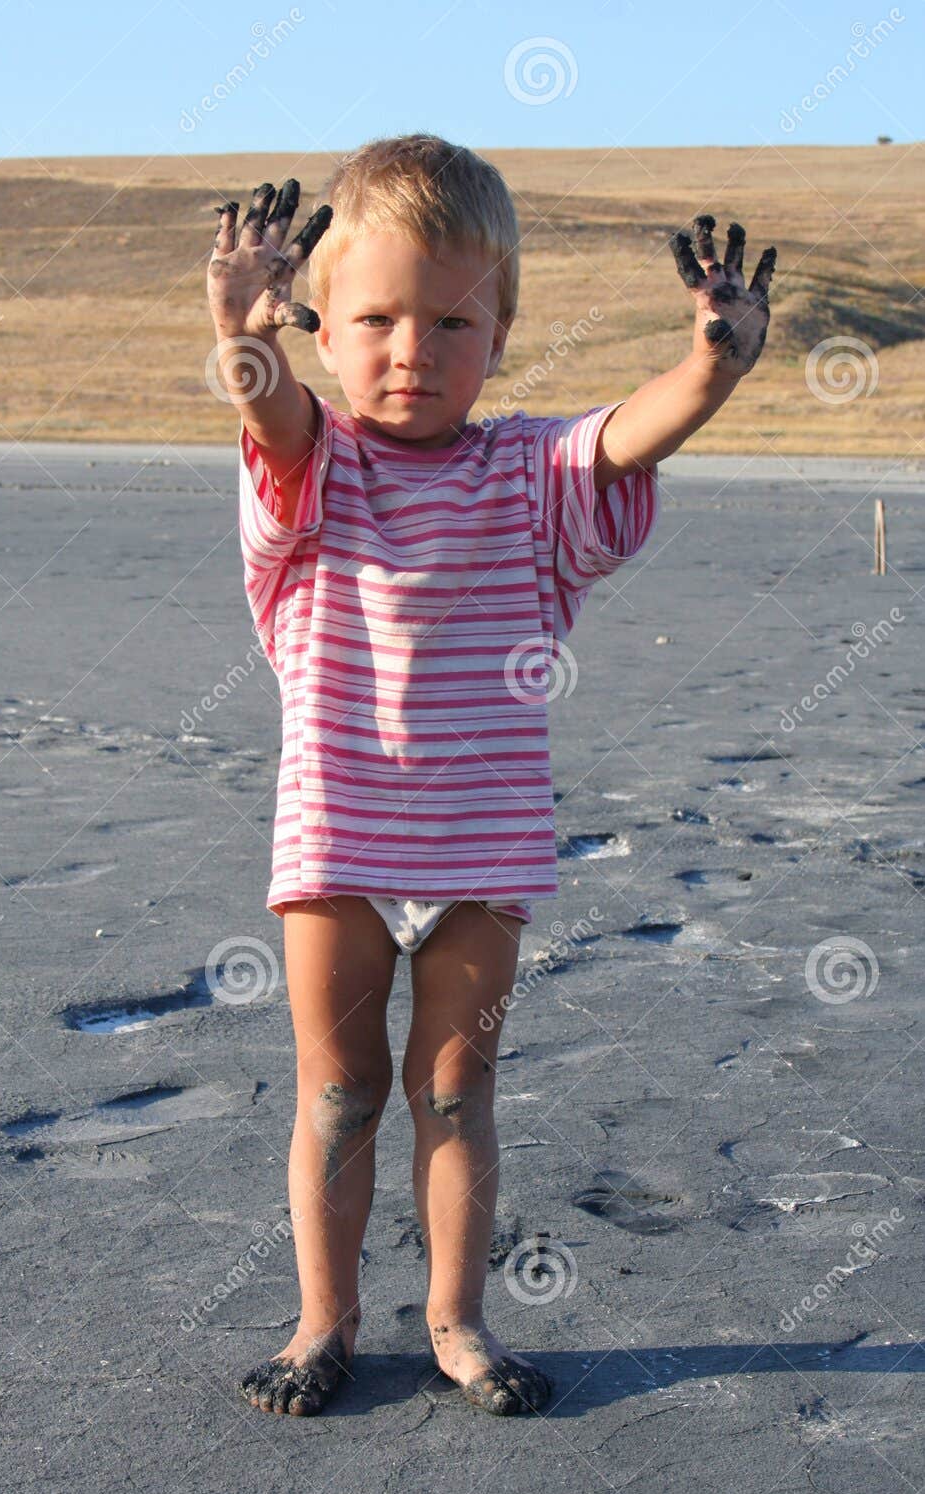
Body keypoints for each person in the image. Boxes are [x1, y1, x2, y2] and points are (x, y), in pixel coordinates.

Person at [205, 134, 776, 1418]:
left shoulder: (527, 479)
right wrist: (244, 335)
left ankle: (458, 1322)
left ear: (501, 327)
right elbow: (269, 408)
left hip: (483, 844)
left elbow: (627, 440)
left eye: (450, 321)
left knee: (456, 1085)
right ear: (322, 321)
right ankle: (322, 1322)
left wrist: (710, 362)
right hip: (337, 837)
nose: (411, 349)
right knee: (340, 1089)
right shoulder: (315, 469)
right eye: (376, 318)